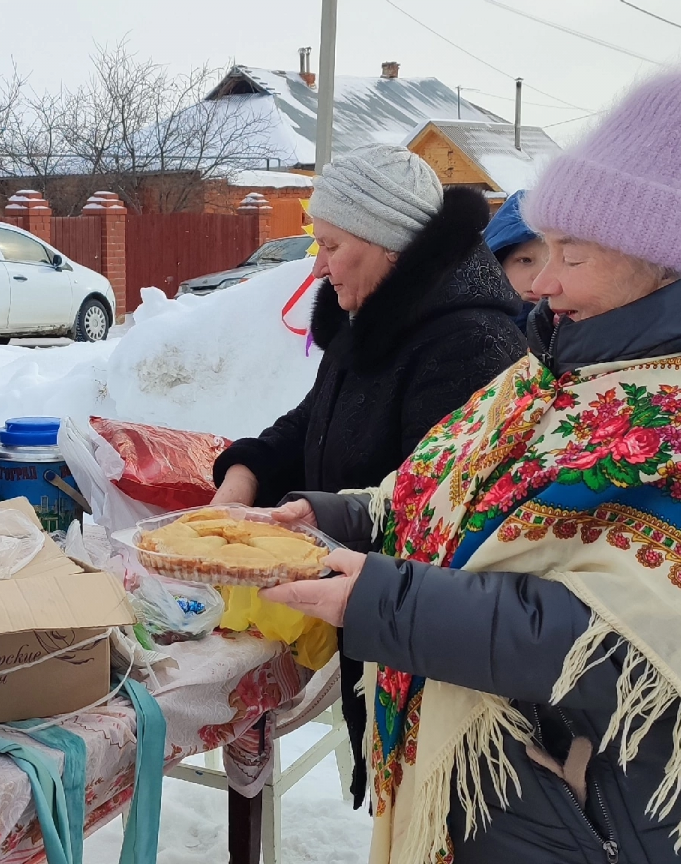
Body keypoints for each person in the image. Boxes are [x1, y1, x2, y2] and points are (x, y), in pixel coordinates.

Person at [261, 62, 681, 864]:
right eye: (543, 249)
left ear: (667, 257)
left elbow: (616, 644)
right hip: (517, 802)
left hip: (613, 820)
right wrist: (343, 516)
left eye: (573, 254)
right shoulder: (567, 365)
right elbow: (457, 492)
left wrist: (386, 599)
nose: (543, 281)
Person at [211, 143, 528, 807]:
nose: (319, 266)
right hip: (381, 622)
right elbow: (313, 425)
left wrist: (305, 530)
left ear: (387, 243)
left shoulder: (468, 346)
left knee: (435, 814)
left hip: (436, 660)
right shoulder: (378, 316)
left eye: (330, 244)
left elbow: (432, 520)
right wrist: (243, 474)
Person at [483, 190, 547, 331]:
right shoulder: (468, 325)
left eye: (551, 264)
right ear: (498, 262)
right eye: (526, 260)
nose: (539, 278)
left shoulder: (574, 335)